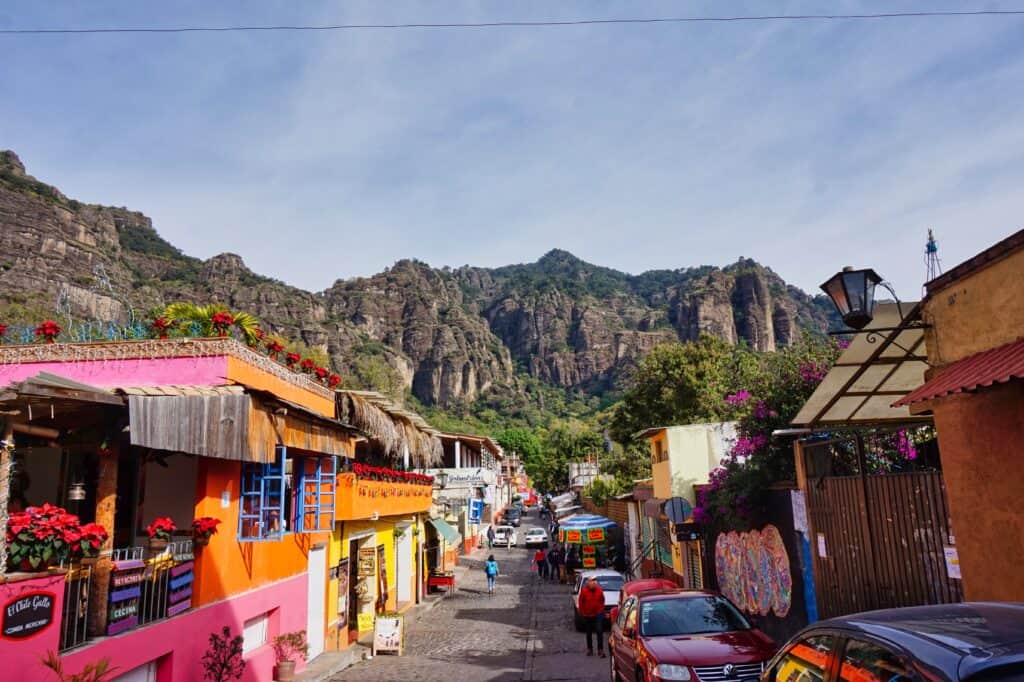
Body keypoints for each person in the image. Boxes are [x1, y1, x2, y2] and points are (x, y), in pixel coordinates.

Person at [577, 576, 607, 657]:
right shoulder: (584, 591)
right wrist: (582, 612)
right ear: (588, 583)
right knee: (588, 633)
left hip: (597, 614)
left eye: (595, 581)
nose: (594, 583)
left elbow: (602, 600)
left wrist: (600, 610)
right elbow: (580, 602)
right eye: (592, 581)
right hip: (588, 615)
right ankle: (589, 649)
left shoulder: (599, 590)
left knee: (599, 631)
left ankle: (600, 649)